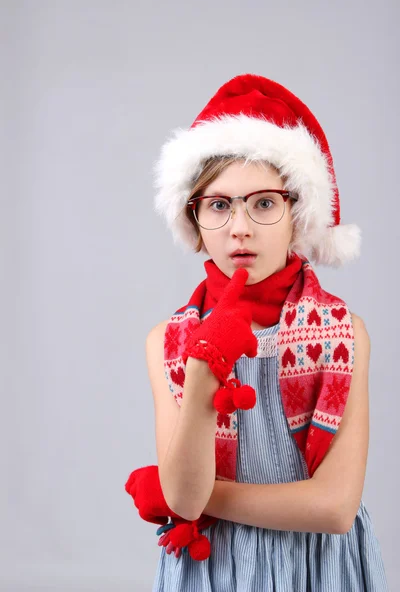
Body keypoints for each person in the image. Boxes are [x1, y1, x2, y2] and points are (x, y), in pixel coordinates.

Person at [126, 74, 389, 591]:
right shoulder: (169, 343)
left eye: (264, 203)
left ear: (297, 214)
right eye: (219, 205)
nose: (240, 227)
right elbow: (185, 498)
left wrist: (195, 498)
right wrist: (203, 372)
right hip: (213, 570)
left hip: (319, 568)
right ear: (195, 220)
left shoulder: (342, 333)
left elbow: (334, 508)